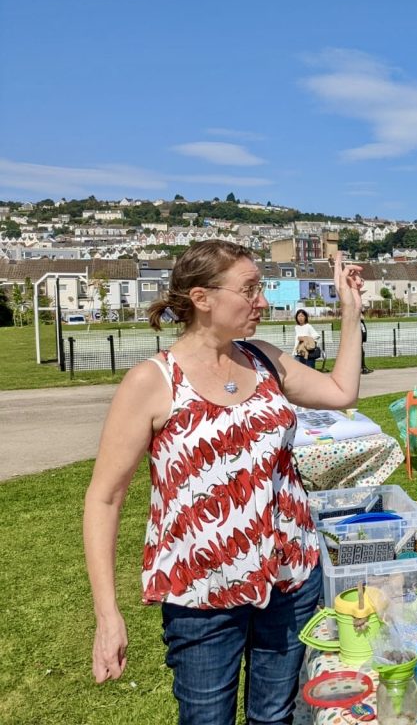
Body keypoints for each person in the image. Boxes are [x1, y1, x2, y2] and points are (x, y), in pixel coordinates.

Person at [83, 240, 364, 725]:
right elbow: (105, 499)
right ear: (201, 298)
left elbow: (341, 391)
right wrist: (108, 615)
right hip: (202, 595)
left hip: (290, 582)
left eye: (262, 288)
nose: (263, 301)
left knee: (275, 716)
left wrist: (350, 310)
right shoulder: (154, 381)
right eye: (250, 289)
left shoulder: (264, 360)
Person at [360, 309, 372, 374]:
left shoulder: (361, 322)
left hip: (361, 340)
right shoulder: (358, 321)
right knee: (361, 353)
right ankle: (362, 368)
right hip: (359, 341)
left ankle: (363, 367)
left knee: (362, 353)